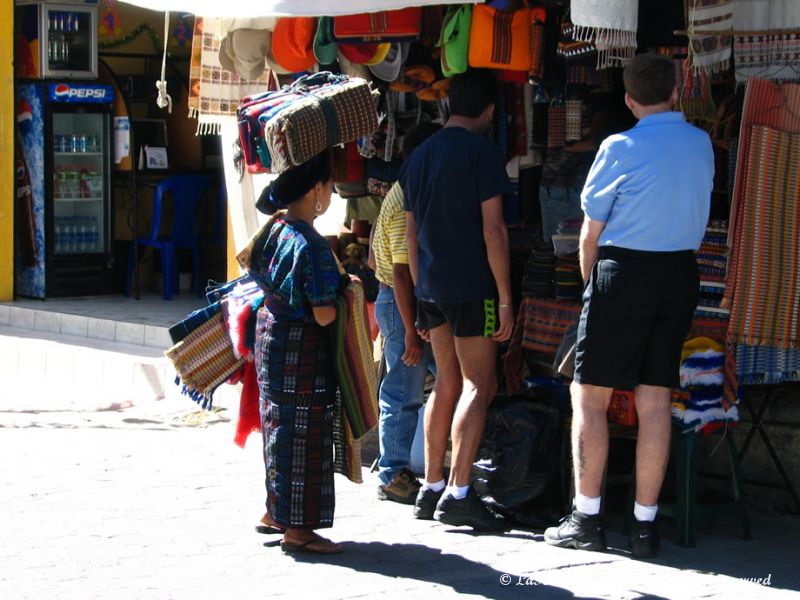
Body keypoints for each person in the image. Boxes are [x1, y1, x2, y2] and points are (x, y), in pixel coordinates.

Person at [543, 53, 714, 558]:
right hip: (680, 273)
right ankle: (644, 527)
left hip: (624, 272)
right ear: (677, 92)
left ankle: (587, 518)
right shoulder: (702, 143)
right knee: (655, 399)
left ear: (628, 99)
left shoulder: (619, 145)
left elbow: (589, 234)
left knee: (589, 396)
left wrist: (590, 292)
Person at [401, 69, 514, 531]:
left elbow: (410, 234)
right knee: (478, 385)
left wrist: (420, 288)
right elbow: (493, 230)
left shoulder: (420, 156)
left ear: (449, 106)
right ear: (488, 110)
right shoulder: (482, 153)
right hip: (471, 287)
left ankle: (431, 486)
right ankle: (460, 493)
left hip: (430, 285)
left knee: (446, 382)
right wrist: (505, 298)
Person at [248, 150, 346, 555]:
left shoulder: (274, 230)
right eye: (328, 185)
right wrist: (349, 295)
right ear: (315, 190)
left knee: (278, 428)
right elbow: (324, 315)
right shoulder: (313, 245)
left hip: (271, 339)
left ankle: (276, 510)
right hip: (300, 353)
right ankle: (299, 530)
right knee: (305, 436)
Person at [371, 123, 441, 505]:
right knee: (403, 389)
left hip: (402, 303)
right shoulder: (403, 203)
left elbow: (372, 257)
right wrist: (413, 330)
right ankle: (393, 473)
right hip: (402, 306)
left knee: (422, 380)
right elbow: (400, 273)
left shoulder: (401, 194)